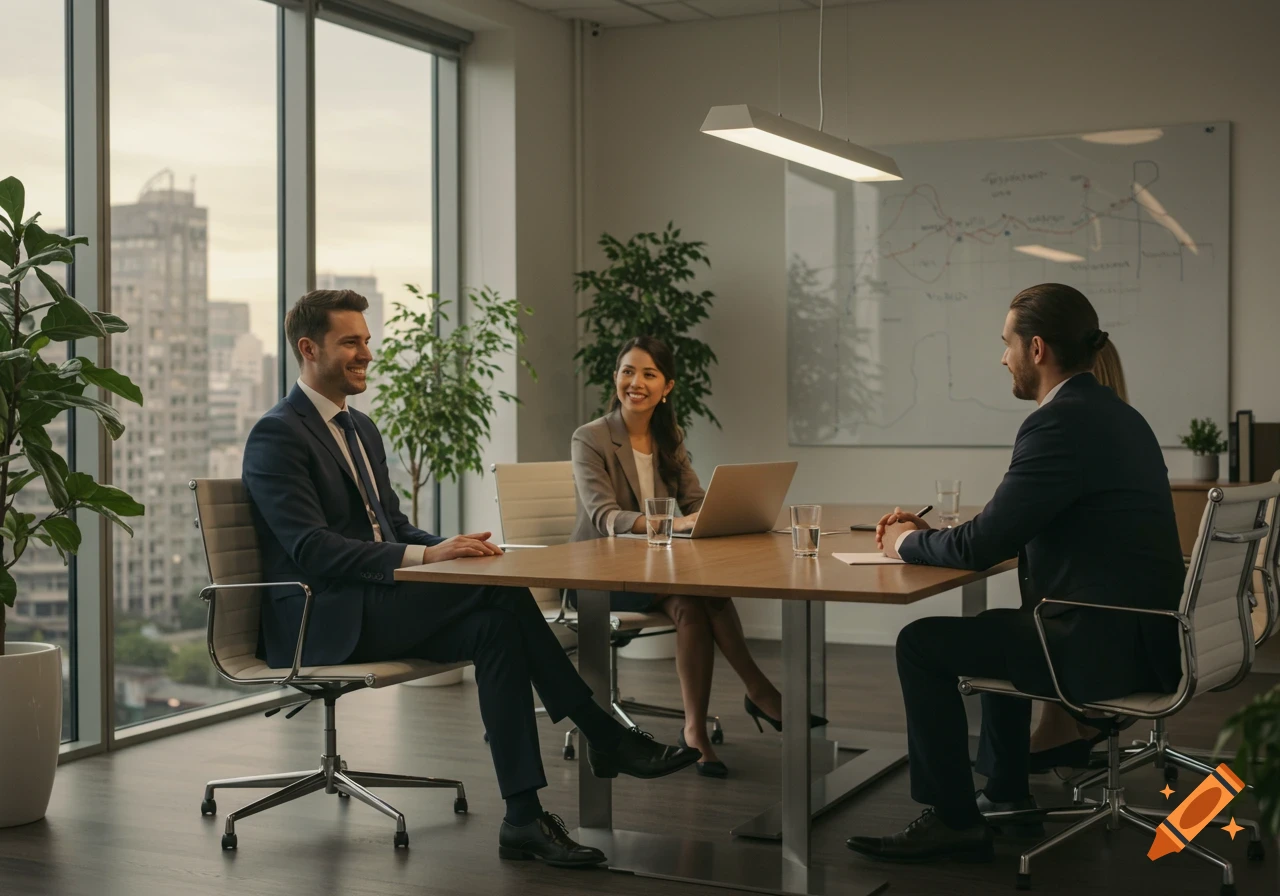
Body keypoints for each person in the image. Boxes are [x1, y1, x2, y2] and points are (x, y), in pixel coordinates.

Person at [242, 291, 700, 870]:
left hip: (373, 602)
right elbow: (309, 547)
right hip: (321, 617)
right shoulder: (277, 434)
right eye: (351, 342)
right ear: (309, 350)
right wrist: (429, 560)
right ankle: (602, 734)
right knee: (497, 597)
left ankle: (523, 818)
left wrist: (450, 546)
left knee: (494, 628)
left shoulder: (360, 427)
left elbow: (392, 524)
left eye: (366, 339)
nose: (367, 353)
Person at [844, 284, 1184, 864]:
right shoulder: (1118, 416)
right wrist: (935, 537)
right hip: (1149, 637)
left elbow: (982, 546)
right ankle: (1005, 795)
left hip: (1099, 646)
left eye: (1006, 344)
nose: (1001, 357)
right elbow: (1014, 521)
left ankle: (954, 821)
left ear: (1036, 348)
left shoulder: (1059, 424)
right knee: (1004, 629)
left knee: (922, 644)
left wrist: (905, 543)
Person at [570, 335, 822, 778]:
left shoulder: (669, 437)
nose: (636, 382)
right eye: (628, 371)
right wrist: (673, 524)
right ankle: (760, 692)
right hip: (602, 575)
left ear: (666, 387)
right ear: (615, 378)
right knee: (700, 596)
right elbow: (605, 517)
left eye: (649, 374)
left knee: (695, 602)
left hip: (658, 572)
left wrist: (716, 514)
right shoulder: (590, 438)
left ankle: (694, 731)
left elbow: (695, 501)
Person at [1026, 338, 1130, 770]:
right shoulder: (1127, 432)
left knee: (1001, 631)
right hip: (1138, 621)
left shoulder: (1062, 427)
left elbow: (1003, 529)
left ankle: (1061, 729)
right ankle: (1063, 726)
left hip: (1099, 626)